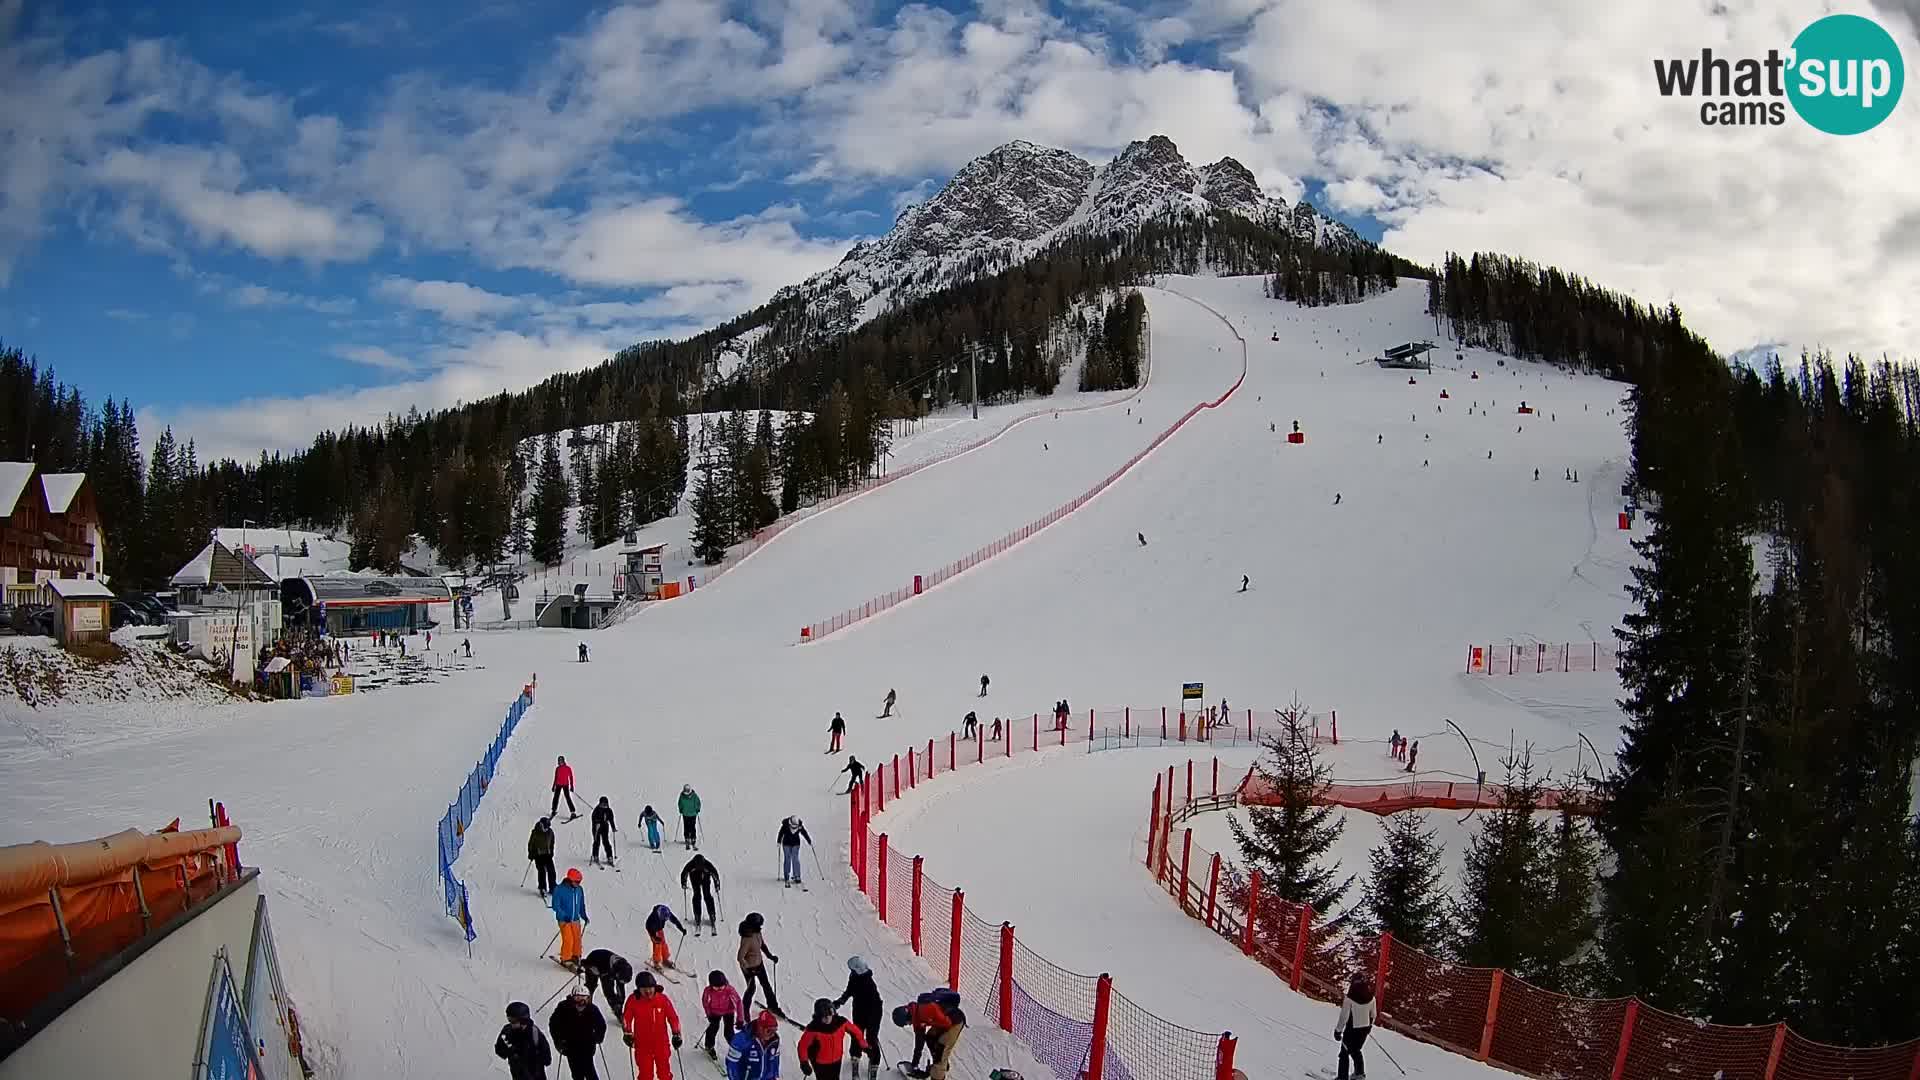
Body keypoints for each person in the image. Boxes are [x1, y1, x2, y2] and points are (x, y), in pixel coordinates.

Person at [622, 971, 683, 1080]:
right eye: (644, 988)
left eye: (650, 987)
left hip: (661, 1044)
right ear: (638, 989)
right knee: (645, 1075)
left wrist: (676, 1033)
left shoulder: (662, 999)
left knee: (664, 1073)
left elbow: (673, 1017)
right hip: (642, 1045)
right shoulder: (633, 1000)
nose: (648, 991)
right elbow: (627, 1018)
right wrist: (627, 1033)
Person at [894, 989, 964, 1080]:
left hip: (955, 1022)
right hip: (943, 1021)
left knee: (941, 1048)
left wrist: (939, 1036)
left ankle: (938, 1072)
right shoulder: (916, 1016)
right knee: (930, 1038)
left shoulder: (927, 1009)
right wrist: (914, 1065)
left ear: (908, 1017)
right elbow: (919, 1043)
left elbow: (947, 1023)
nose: (909, 1024)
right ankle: (941, 1063)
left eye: (907, 1023)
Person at [833, 957, 884, 1080]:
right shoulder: (854, 978)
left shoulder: (868, 983)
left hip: (873, 1012)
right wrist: (839, 1002)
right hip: (859, 1010)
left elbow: (874, 1003)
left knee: (871, 1037)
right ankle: (855, 1056)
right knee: (856, 1034)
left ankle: (874, 1062)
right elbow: (849, 991)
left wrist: (871, 1020)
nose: (851, 971)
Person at [798, 999, 869, 1080]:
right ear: (818, 1016)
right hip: (820, 1063)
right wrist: (804, 1063)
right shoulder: (813, 1028)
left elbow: (856, 1032)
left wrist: (864, 1045)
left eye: (829, 1015)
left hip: (836, 1060)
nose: (827, 1018)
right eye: (824, 1016)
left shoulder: (840, 1022)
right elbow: (802, 1046)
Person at [550, 985, 609, 1080]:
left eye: (583, 996)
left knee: (590, 1071)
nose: (580, 999)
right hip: (569, 1045)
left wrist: (598, 1036)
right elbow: (554, 1024)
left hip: (587, 1045)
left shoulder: (592, 1009)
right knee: (576, 1072)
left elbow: (601, 1024)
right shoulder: (563, 1007)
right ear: (572, 997)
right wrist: (558, 1040)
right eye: (577, 996)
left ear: (588, 997)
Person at [737, 912, 782, 1015]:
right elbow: (740, 957)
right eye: (759, 925)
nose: (761, 927)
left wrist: (770, 956)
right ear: (754, 925)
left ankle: (773, 1007)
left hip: (759, 965)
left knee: (766, 986)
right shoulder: (747, 939)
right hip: (749, 969)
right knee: (751, 989)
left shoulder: (757, 933)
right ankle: (744, 1012)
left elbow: (762, 945)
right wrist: (748, 969)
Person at [1333, 974, 1376, 1080]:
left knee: (1344, 1053)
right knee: (1356, 1050)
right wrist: (1369, 1026)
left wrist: (1338, 1031)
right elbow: (1373, 1015)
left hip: (1352, 1029)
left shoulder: (1350, 998)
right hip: (1364, 1029)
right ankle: (1359, 1074)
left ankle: (1342, 1077)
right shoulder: (1371, 997)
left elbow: (1344, 1017)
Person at [498, 1001, 555, 1080]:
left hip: (536, 1074)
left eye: (513, 1020)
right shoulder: (507, 1031)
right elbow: (499, 1049)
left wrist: (541, 1058)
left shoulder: (534, 1032)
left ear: (523, 1020)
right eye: (509, 1019)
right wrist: (509, 1051)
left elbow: (546, 1054)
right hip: (518, 1073)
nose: (511, 1023)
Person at [726, 1012, 783, 1080]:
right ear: (760, 1028)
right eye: (769, 1031)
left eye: (774, 1031)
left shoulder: (774, 1041)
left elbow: (775, 1062)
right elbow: (732, 1065)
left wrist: (774, 1076)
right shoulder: (740, 1040)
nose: (772, 1035)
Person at [702, 971, 745, 1057]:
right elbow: (705, 1002)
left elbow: (738, 1002)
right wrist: (708, 1013)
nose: (720, 989)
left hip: (728, 1011)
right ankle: (709, 1046)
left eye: (721, 986)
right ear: (711, 985)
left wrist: (740, 1019)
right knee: (713, 1029)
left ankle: (735, 1048)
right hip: (714, 1012)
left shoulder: (729, 989)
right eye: (716, 987)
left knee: (729, 1032)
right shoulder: (708, 990)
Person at [553, 868, 589, 969]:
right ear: (570, 880)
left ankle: (575, 956)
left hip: (575, 919)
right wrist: (564, 915)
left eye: (579, 882)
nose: (578, 883)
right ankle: (566, 958)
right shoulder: (559, 889)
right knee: (568, 939)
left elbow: (581, 904)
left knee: (577, 939)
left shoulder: (579, 889)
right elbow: (556, 905)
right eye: (577, 881)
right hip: (564, 920)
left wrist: (584, 915)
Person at [580, 949, 634, 1016]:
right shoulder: (609, 969)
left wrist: (620, 1003)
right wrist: (584, 966)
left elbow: (620, 988)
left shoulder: (624, 969)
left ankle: (617, 1009)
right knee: (591, 987)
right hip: (595, 961)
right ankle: (586, 1007)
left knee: (612, 991)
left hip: (607, 967)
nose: (621, 982)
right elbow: (609, 990)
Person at [682, 853, 721, 929]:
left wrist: (717, 884)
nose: (699, 868)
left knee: (707, 895)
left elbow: (714, 874)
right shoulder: (690, 865)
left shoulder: (707, 864)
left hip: (705, 878)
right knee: (697, 896)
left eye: (701, 866)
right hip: (694, 879)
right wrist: (683, 882)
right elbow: (684, 873)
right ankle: (697, 915)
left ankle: (712, 914)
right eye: (697, 867)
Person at [646, 903, 687, 971]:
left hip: (659, 928)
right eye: (664, 919)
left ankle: (665, 959)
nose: (665, 920)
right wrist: (654, 937)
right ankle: (656, 962)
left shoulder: (666, 912)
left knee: (663, 943)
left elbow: (675, 920)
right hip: (652, 929)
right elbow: (651, 929)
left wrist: (681, 929)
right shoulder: (653, 918)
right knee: (657, 944)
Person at [777, 817, 813, 886]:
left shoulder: (799, 826)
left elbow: (804, 833)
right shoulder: (785, 825)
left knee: (795, 859)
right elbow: (781, 833)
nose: (794, 827)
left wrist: (809, 841)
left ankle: (797, 876)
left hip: (796, 844)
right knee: (787, 859)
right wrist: (779, 841)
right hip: (786, 844)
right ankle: (786, 875)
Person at [529, 817, 559, 899]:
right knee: (541, 871)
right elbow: (531, 844)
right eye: (545, 827)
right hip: (538, 855)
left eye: (547, 827)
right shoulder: (535, 832)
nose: (546, 829)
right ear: (541, 825)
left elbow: (552, 842)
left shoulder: (550, 832)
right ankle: (542, 888)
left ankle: (553, 887)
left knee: (551, 871)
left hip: (547, 855)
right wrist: (531, 853)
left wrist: (551, 852)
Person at [591, 797, 618, 866]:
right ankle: (595, 855)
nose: (604, 805)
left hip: (605, 827)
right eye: (602, 804)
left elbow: (611, 819)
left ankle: (609, 857)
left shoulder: (609, 810)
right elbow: (593, 818)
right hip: (596, 827)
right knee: (596, 841)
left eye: (605, 804)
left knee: (606, 842)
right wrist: (597, 823)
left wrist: (613, 827)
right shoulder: (596, 810)